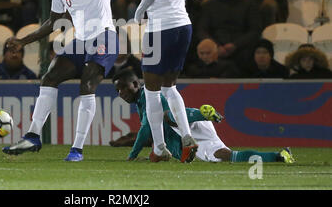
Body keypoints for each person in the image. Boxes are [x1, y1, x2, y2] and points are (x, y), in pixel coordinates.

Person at [2, 0, 119, 162]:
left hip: (104, 35)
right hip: (81, 39)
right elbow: (53, 22)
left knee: (87, 84)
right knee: (50, 76)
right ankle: (33, 136)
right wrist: (23, 41)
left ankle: (77, 149)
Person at [134, 0, 208, 162]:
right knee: (170, 86)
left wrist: (138, 11)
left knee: (152, 91)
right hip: (183, 26)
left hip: (160, 29)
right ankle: (186, 136)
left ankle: (159, 149)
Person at [113, 68, 295, 163]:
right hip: (189, 123)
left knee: (167, 119)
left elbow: (146, 129)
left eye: (123, 87)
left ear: (136, 83)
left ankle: (200, 117)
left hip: (184, 128)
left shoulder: (147, 95)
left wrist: (132, 154)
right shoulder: (143, 97)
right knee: (224, 154)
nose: (121, 93)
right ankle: (279, 156)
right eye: (117, 90)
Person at [197, 0, 261, 67]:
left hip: (242, 47)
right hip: (215, 47)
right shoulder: (210, 5)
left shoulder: (248, 3)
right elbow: (202, 30)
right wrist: (215, 46)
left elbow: (255, 30)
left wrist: (235, 45)